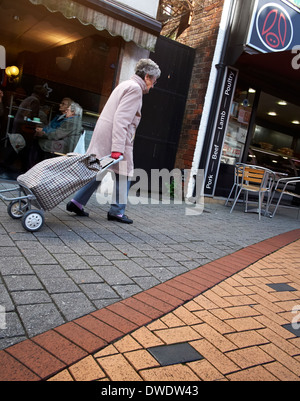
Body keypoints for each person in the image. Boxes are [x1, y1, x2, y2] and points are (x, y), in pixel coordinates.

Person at [66, 58, 161, 224]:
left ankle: (77, 202)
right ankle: (117, 212)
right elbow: (122, 120)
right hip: (117, 139)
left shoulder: (125, 84)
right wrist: (118, 148)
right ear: (147, 77)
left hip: (106, 134)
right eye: (154, 81)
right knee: (125, 174)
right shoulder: (135, 89)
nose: (153, 85)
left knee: (99, 170)